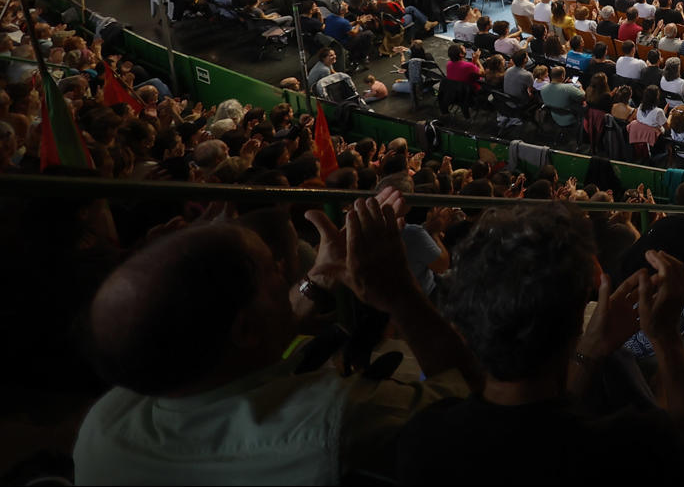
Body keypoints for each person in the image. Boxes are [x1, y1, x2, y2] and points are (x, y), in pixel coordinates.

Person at [74, 196, 476, 485]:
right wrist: (400, 293)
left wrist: (318, 280)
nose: (288, 273)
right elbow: (470, 398)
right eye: (273, 271)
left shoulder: (108, 417)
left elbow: (247, 339)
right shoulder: (334, 421)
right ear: (245, 330)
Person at [395, 206, 684, 482]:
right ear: (578, 318)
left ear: (464, 327)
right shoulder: (627, 447)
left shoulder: (423, 439)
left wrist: (591, 348)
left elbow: (527, 431)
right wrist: (667, 339)